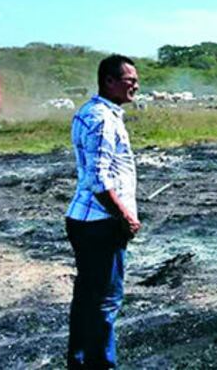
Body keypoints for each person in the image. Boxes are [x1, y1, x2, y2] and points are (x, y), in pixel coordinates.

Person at [65, 54, 142, 369]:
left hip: (85, 220)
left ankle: (80, 362)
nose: (135, 85)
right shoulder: (103, 119)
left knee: (87, 298)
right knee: (105, 302)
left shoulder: (90, 112)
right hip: (101, 223)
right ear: (109, 81)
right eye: (129, 80)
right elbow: (98, 179)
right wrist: (125, 216)